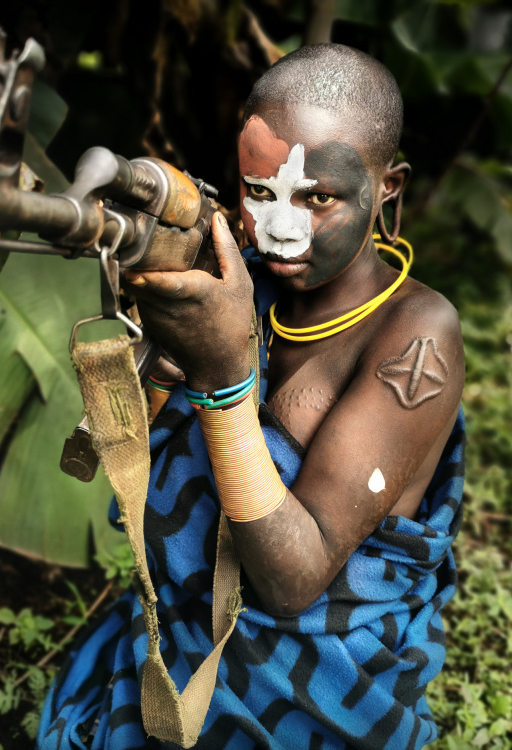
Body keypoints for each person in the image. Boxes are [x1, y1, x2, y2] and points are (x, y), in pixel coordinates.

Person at [38, 43, 465, 750]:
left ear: (388, 186)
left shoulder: (419, 334)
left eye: (317, 197)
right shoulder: (249, 274)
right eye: (259, 191)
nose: (279, 228)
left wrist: (224, 377)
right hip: (186, 626)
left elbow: (293, 582)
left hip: (314, 682)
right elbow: (144, 454)